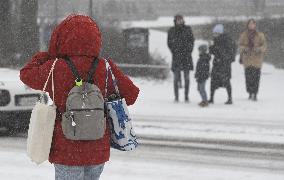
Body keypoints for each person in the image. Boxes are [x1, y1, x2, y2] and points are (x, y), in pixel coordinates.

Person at [20, 14, 139, 180]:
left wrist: (49, 55)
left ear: (61, 38)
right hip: (97, 150)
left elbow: (26, 74)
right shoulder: (105, 67)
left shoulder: (55, 67)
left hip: (66, 150)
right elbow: (132, 95)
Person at [167, 14, 195, 102]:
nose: (180, 21)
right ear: (175, 21)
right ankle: (176, 97)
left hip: (186, 57)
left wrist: (188, 50)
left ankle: (186, 96)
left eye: (181, 19)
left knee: (187, 78)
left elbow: (192, 40)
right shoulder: (171, 30)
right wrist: (175, 51)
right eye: (178, 20)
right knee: (176, 79)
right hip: (176, 57)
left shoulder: (188, 29)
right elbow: (169, 43)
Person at [238, 19, 267, 101]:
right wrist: (245, 49)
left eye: (252, 24)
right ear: (247, 25)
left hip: (257, 60)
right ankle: (250, 92)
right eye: (249, 24)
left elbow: (264, 46)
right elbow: (240, 45)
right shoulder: (243, 35)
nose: (251, 25)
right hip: (247, 60)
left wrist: (259, 49)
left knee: (256, 78)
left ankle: (255, 93)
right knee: (248, 78)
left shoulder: (260, 35)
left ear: (255, 25)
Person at [209, 24, 236, 105]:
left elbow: (224, 52)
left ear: (220, 33)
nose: (214, 34)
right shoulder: (216, 40)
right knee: (213, 81)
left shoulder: (227, 40)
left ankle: (230, 98)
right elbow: (214, 52)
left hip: (224, 64)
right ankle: (211, 98)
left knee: (226, 81)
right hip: (217, 63)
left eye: (216, 33)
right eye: (214, 33)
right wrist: (211, 47)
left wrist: (215, 48)